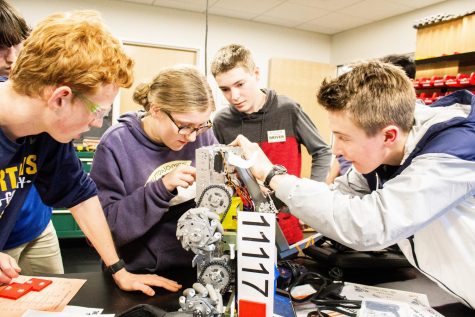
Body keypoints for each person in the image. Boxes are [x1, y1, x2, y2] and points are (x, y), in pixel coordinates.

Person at [231, 61, 475, 308]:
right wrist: (270, 192)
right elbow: (337, 197)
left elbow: (370, 223)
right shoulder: (383, 152)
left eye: (344, 138)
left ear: (388, 135)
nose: (335, 149)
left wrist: (273, 175)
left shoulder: (452, 152)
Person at [0, 10, 181, 295]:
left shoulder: (46, 131)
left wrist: (119, 270)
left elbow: (80, 196)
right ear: (61, 97)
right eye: (99, 112)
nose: (97, 124)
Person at [90, 65, 218, 273]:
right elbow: (104, 229)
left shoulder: (202, 135)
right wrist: (161, 188)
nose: (193, 137)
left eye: (201, 126)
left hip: (195, 266)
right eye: (184, 126)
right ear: (156, 109)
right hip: (138, 272)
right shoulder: (116, 143)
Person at [211, 44, 331, 244]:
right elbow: (219, 172)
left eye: (240, 84)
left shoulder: (288, 110)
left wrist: (312, 200)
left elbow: (322, 152)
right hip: (242, 225)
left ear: (256, 73)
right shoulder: (221, 122)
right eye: (225, 89)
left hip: (286, 222)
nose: (234, 96)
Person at [0, 0, 63, 275]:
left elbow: (78, 188)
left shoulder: (34, 91)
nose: (12, 58)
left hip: (37, 225)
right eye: (1, 47)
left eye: (17, 44)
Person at [326, 53, 416, 184]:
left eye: (344, 137)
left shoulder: (435, 161)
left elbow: (382, 204)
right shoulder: (371, 160)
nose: (335, 150)